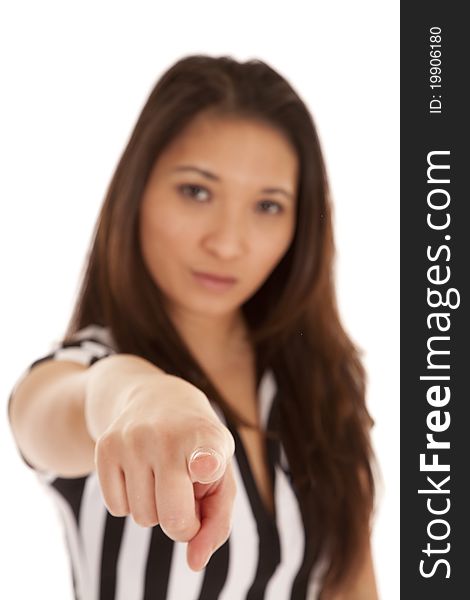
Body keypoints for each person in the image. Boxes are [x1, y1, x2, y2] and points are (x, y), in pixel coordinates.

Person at [8, 55, 380, 599]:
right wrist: (144, 397)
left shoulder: (321, 381)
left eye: (269, 206)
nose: (228, 242)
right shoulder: (87, 367)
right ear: (136, 193)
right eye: (197, 192)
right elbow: (61, 408)